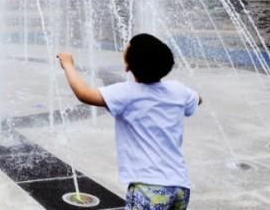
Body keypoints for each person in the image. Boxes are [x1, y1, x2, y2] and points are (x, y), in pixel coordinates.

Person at [57, 33, 201, 210]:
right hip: (180, 186)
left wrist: (68, 65)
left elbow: (84, 94)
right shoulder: (178, 90)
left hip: (148, 187)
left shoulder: (127, 93)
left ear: (128, 67)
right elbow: (197, 99)